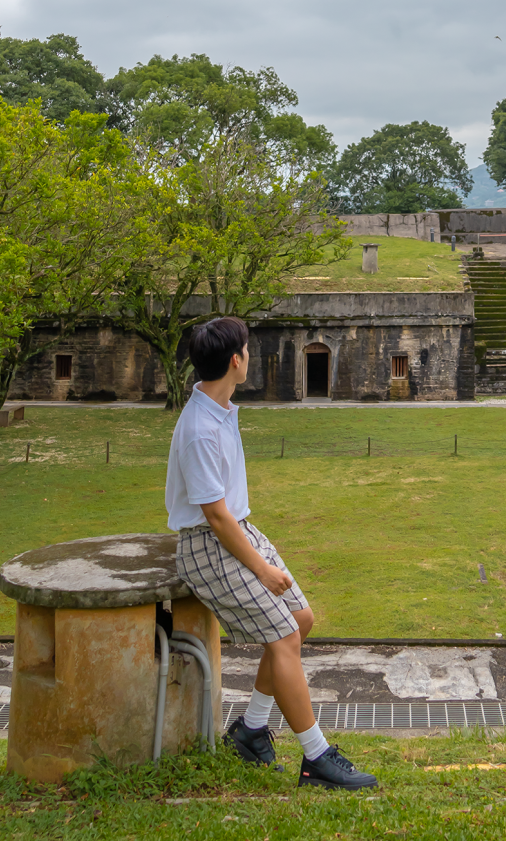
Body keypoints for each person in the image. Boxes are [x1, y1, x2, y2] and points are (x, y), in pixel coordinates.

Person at [165, 316, 377, 790]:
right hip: (210, 545)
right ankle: (317, 757)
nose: (250, 354)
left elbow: (228, 515)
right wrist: (261, 570)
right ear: (236, 360)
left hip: (238, 531)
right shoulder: (201, 427)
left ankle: (251, 731)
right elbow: (214, 517)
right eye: (247, 348)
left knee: (299, 621)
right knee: (283, 637)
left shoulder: (218, 408)